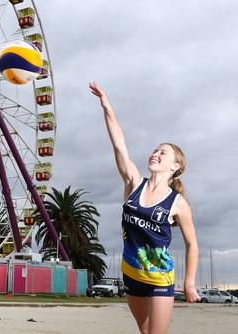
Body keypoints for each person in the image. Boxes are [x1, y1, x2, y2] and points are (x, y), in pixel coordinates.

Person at [89, 82, 201, 334]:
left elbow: (192, 244)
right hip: (131, 272)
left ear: (175, 166)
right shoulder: (133, 182)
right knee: (145, 330)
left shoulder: (178, 204)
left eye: (163, 153)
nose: (155, 154)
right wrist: (106, 105)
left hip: (160, 279)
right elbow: (119, 144)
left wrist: (190, 282)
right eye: (155, 150)